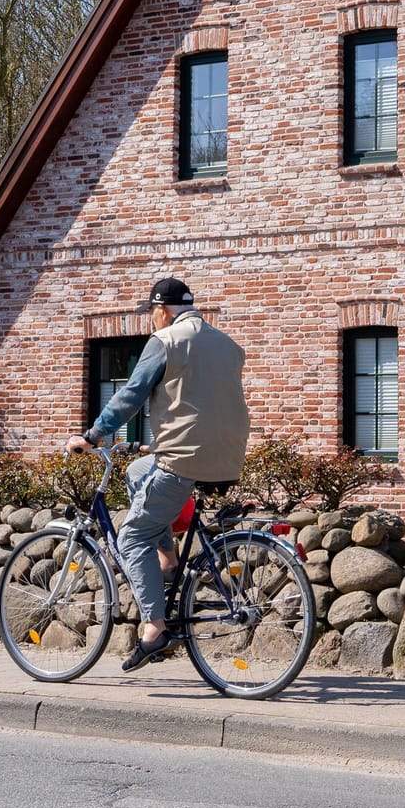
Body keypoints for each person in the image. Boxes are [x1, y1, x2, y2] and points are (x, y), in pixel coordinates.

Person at [64, 277, 250, 671]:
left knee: (131, 538)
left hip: (183, 459)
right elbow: (204, 402)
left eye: (151, 312)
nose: (152, 319)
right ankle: (167, 559)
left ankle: (154, 629)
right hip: (227, 458)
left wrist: (92, 436)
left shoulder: (165, 341)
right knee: (137, 470)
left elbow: (130, 394)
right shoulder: (228, 345)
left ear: (162, 309)